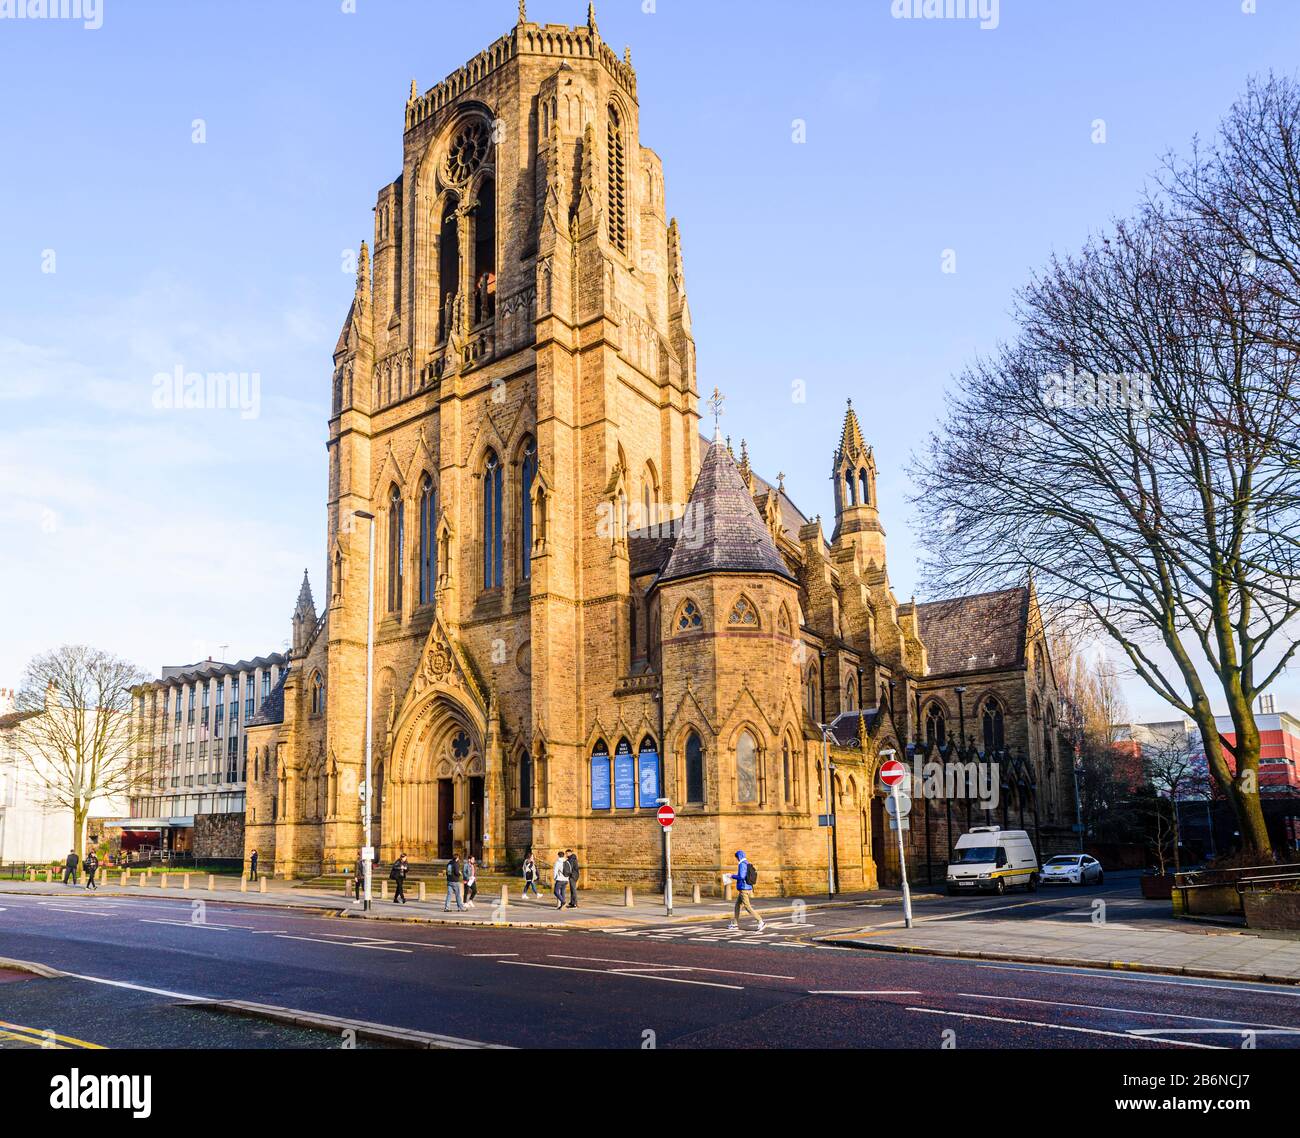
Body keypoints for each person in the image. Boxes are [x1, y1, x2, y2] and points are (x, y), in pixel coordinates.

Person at [727, 849, 765, 932]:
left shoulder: (742, 864)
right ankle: (734, 924)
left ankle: (760, 921)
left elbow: (741, 876)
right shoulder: (747, 863)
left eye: (737, 857)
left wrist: (731, 876)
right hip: (746, 888)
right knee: (737, 905)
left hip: (744, 888)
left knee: (747, 906)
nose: (737, 859)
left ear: (739, 857)